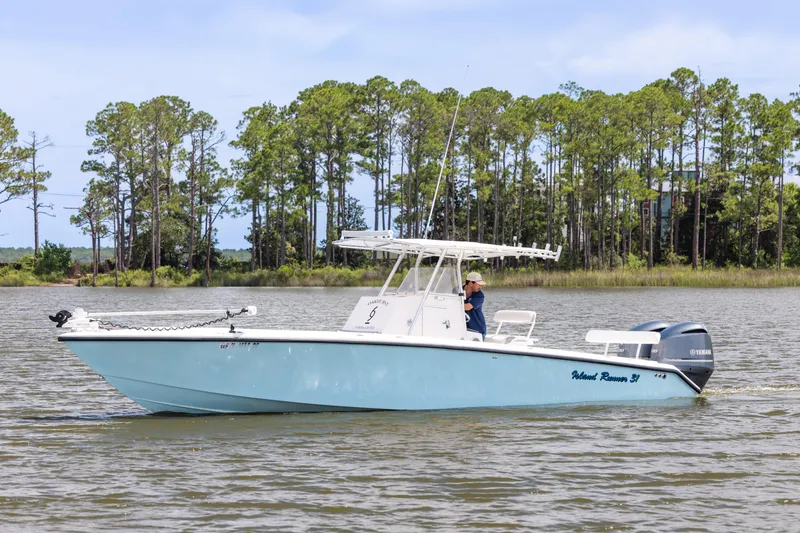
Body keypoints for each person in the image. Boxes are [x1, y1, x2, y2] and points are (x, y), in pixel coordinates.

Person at [463, 271, 487, 339]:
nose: (481, 286)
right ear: (470, 283)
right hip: (462, 330)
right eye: (478, 284)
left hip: (477, 330)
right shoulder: (457, 290)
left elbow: (467, 307)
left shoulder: (479, 295)